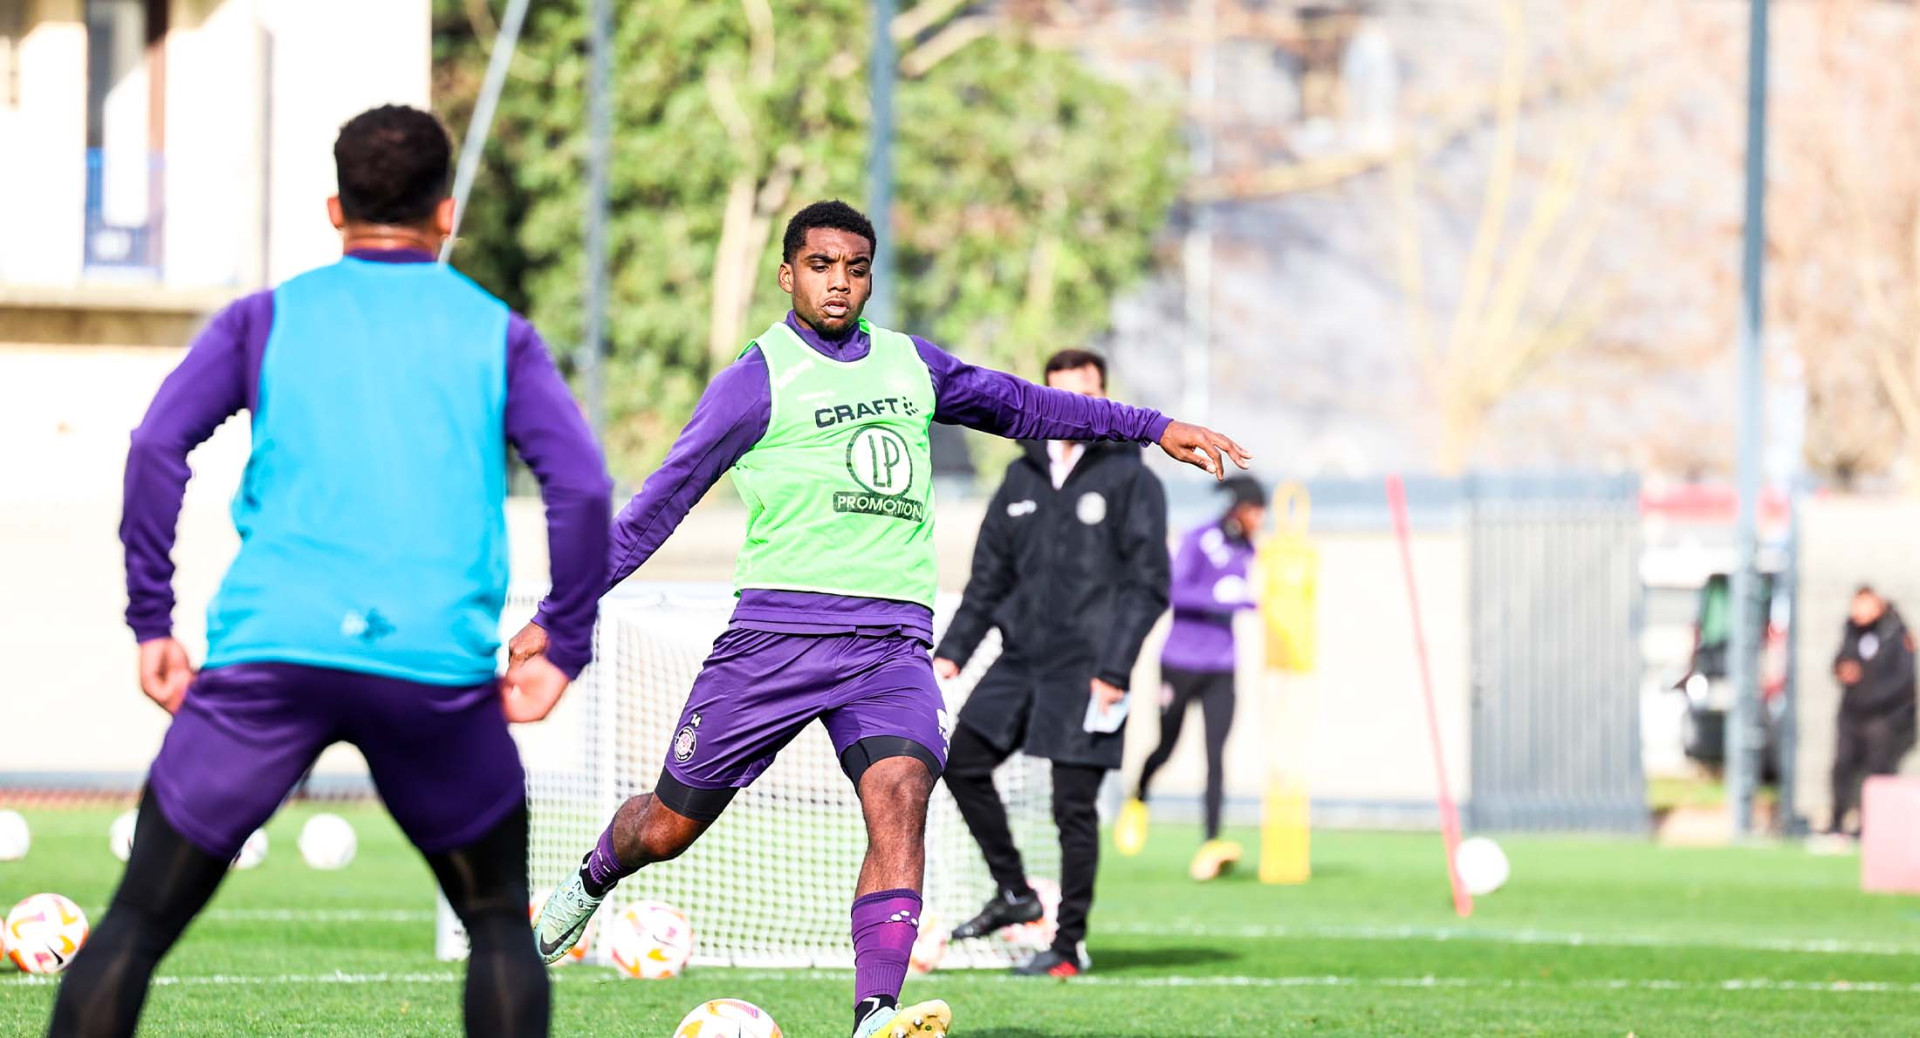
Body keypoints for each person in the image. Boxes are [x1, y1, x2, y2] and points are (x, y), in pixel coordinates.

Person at [517, 200, 1249, 1038]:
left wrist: (1152, 427)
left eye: (856, 268)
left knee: (902, 793)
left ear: (870, 278)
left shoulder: (910, 364)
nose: (839, 282)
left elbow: (1026, 405)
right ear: (787, 274)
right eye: (820, 265)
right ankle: (592, 876)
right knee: (667, 828)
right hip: (776, 640)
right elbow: (656, 506)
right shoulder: (756, 379)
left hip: (890, 645)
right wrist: (559, 617)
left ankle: (877, 1015)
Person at [48, 105, 611, 1038]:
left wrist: (152, 621)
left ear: (334, 209)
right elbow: (583, 487)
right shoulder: (496, 331)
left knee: (137, 921)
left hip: (272, 658)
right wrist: (567, 642)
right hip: (431, 670)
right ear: (446, 214)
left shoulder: (265, 318)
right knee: (498, 929)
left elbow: (155, 448)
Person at [931, 349, 1171, 979]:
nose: (1074, 408)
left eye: (1086, 396)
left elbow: (1148, 585)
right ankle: (1015, 892)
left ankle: (1068, 946)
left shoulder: (1131, 479)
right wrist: (952, 652)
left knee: (1072, 806)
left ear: (1105, 400)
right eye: (1061, 395)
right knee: (961, 761)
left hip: (1091, 667)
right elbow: (989, 578)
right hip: (1020, 660)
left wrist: (1115, 669)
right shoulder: (1021, 477)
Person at [1117, 475, 1265, 881]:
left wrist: (1251, 601)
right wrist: (1221, 598)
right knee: (1166, 746)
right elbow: (1175, 591)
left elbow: (1244, 595)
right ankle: (1138, 796)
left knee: (1216, 754)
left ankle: (1211, 843)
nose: (1259, 520)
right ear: (1237, 509)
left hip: (1222, 666)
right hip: (1181, 662)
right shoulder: (1199, 539)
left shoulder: (1247, 548)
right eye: (1255, 511)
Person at [1829, 585, 1917, 837]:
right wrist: (1841, 669)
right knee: (1843, 766)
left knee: (1877, 769)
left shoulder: (1895, 633)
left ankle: (1873, 825)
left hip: (1883, 715)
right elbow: (1840, 659)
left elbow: (1904, 679)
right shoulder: (1852, 631)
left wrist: (1872, 699)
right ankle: (1838, 822)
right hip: (1852, 714)